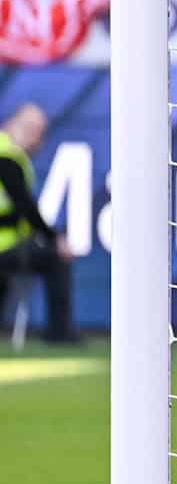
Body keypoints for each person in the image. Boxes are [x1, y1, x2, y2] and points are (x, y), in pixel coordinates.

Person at [0, 103, 78, 344]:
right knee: (55, 258)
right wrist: (54, 238)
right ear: (13, 124)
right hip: (5, 245)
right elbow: (25, 207)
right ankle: (59, 333)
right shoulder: (7, 156)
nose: (36, 138)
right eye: (30, 129)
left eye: (39, 131)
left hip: (8, 243)